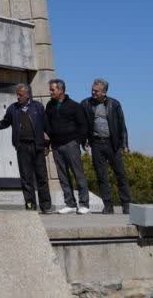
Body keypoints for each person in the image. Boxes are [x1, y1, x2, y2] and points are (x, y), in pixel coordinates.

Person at [0, 84, 52, 213]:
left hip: (37, 146)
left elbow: (46, 127)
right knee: (26, 179)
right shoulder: (13, 109)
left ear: (28, 95)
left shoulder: (38, 107)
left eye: (21, 95)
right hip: (22, 147)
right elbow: (5, 122)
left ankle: (46, 207)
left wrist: (47, 145)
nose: (18, 97)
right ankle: (30, 207)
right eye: (17, 94)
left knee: (42, 178)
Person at [81, 78, 132, 214]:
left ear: (104, 92)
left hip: (113, 144)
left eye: (96, 91)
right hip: (96, 144)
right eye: (92, 89)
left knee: (120, 174)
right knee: (101, 176)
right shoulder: (86, 104)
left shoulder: (114, 104)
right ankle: (108, 205)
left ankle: (126, 204)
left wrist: (125, 144)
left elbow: (122, 126)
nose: (93, 92)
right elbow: (84, 125)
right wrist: (84, 141)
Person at [46, 78, 91, 214]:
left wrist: (79, 141)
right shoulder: (49, 105)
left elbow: (83, 126)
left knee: (78, 174)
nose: (50, 92)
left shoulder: (75, 106)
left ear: (61, 90)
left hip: (71, 144)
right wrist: (48, 142)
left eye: (53, 89)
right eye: (50, 89)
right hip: (56, 145)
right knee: (62, 175)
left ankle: (84, 204)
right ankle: (70, 203)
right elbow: (47, 124)